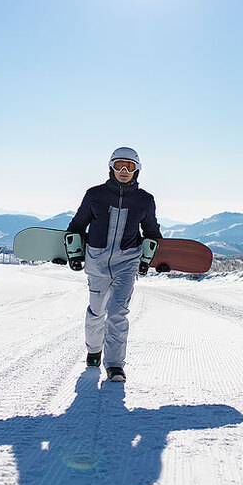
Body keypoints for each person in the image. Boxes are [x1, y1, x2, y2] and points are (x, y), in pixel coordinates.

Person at [66, 147, 168, 382]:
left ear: (137, 171)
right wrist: (73, 253)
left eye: (129, 166)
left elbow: (152, 232)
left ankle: (114, 365)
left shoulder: (145, 200)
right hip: (97, 261)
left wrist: (160, 259)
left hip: (127, 261)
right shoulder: (94, 195)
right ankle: (94, 350)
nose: (124, 171)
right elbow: (77, 226)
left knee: (117, 313)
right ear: (111, 167)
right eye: (119, 165)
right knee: (96, 311)